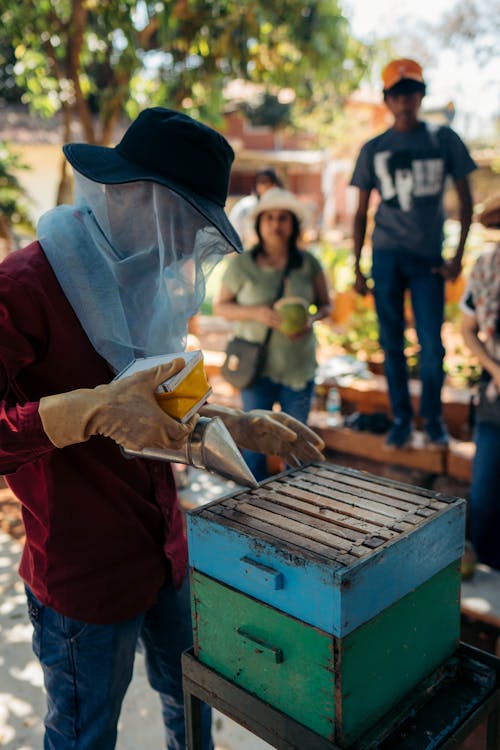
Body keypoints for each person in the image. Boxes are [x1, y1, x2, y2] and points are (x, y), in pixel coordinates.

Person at [0, 107, 325, 750]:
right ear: (127, 194)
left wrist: (235, 422)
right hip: (84, 579)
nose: (180, 243)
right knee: (84, 735)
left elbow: (159, 404)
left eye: (194, 227)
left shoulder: (148, 279)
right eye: (175, 218)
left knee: (195, 705)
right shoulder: (21, 288)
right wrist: (83, 409)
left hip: (166, 552)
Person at [350, 58, 476, 450]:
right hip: (386, 256)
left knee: (431, 344)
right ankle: (401, 420)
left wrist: (457, 257)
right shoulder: (374, 149)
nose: (405, 102)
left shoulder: (444, 140)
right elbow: (360, 212)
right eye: (397, 94)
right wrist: (356, 265)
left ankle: (434, 421)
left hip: (428, 260)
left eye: (412, 93)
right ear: (386, 99)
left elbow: (467, 200)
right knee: (391, 343)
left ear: (422, 95)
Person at [213, 187, 331, 481]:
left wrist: (311, 319)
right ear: (259, 224)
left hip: (298, 367)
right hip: (256, 367)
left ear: (292, 225)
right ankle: (253, 503)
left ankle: (290, 505)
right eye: (269, 218)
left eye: (283, 218)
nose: (276, 224)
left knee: (295, 442)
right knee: (255, 441)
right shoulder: (243, 265)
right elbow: (221, 307)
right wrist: (257, 312)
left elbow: (327, 305)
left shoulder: (307, 263)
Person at [460, 194, 500, 570]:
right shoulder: (487, 268)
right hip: (495, 396)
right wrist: (495, 368)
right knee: (484, 494)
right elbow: (468, 329)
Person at [228, 167, 282, 247]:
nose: (262, 186)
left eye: (266, 182)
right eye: (261, 182)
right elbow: (234, 234)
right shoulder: (245, 207)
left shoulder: (281, 207)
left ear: (274, 185)